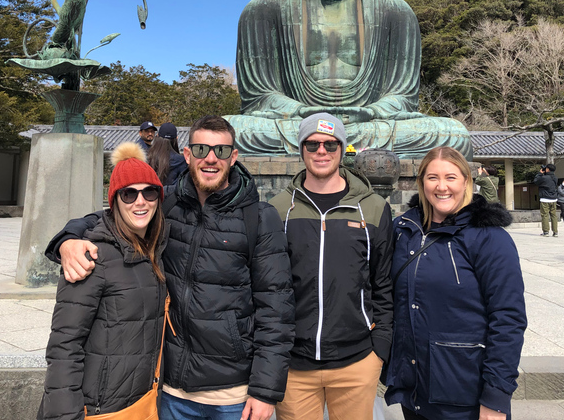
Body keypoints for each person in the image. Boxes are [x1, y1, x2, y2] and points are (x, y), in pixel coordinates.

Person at [45, 115, 295, 420]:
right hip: (170, 388)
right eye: (201, 150)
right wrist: (68, 239)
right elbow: (112, 216)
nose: (211, 159)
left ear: (234, 156)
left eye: (221, 151)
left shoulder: (259, 217)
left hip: (234, 393)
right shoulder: (169, 204)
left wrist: (265, 390)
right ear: (187, 154)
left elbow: (277, 309)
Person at [225, 0, 472, 159]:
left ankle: (325, 145)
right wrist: (302, 111)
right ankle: (333, 144)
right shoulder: (265, 8)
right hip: (297, 124)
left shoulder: (395, 10)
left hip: (368, 125)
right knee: (235, 132)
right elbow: (260, 98)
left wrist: (371, 112)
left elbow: (403, 97)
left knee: (453, 135)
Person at [385, 146, 527, 420]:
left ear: (466, 181)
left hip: (463, 388)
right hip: (414, 388)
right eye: (432, 178)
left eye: (451, 177)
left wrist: (496, 397)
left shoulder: (489, 238)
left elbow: (508, 318)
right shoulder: (403, 230)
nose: (441, 187)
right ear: (421, 182)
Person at [269, 113, 394, 420]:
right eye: (312, 144)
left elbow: (384, 282)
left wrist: (380, 347)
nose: (321, 151)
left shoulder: (374, 207)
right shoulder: (278, 209)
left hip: (356, 359)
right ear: (301, 149)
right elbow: (267, 285)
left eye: (330, 144)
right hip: (294, 362)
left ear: (342, 148)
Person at [38, 141, 168, 418]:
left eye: (150, 192)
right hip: (97, 408)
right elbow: (65, 345)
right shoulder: (92, 255)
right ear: (114, 200)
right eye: (128, 194)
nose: (141, 201)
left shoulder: (156, 249)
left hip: (141, 402)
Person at [148, 122, 188, 186]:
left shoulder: (149, 157)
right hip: (172, 195)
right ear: (176, 138)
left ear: (157, 136)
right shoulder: (181, 161)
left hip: (150, 194)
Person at [533, 164, 558, 237]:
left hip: (545, 199)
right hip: (553, 199)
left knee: (545, 215)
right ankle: (555, 232)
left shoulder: (544, 178)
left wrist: (540, 173)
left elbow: (536, 181)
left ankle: (546, 232)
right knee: (554, 215)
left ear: (547, 169)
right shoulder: (555, 178)